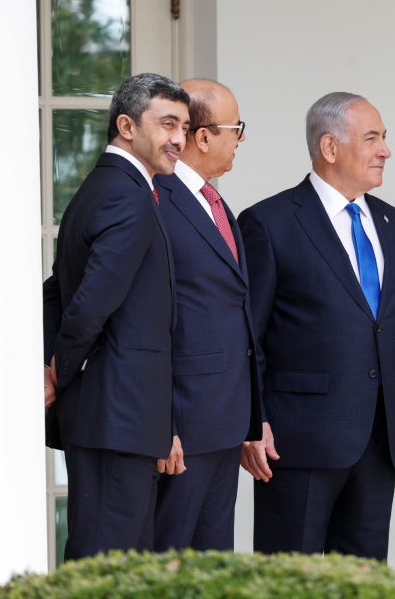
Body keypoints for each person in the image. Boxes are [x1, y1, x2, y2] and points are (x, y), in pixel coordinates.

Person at [237, 91, 395, 560]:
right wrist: (253, 420)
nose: (385, 150)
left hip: (379, 440)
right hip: (296, 441)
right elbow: (248, 337)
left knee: (365, 582)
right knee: (292, 585)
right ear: (330, 148)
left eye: (384, 138)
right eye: (372, 138)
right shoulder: (269, 223)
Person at [42, 72, 190, 560]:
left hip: (120, 415)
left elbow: (57, 290)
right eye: (167, 124)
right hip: (116, 413)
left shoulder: (108, 187)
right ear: (126, 125)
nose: (178, 139)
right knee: (107, 563)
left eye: (184, 127)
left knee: (117, 564)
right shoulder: (126, 193)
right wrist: (59, 370)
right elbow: (88, 303)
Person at [151, 79, 264, 551]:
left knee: (212, 568)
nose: (240, 138)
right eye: (236, 128)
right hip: (183, 426)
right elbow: (151, 318)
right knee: (171, 566)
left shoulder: (212, 201)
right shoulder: (157, 197)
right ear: (203, 137)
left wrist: (252, 419)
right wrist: (163, 424)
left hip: (224, 421)